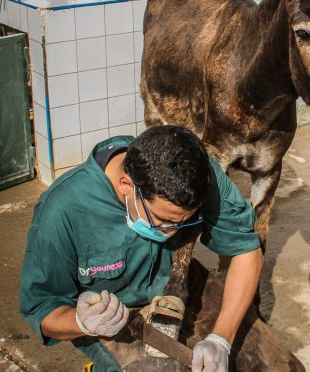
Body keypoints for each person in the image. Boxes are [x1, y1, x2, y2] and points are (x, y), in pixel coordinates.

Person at [20, 125, 263, 372]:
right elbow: (42, 308)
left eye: (185, 221)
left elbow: (246, 250)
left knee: (271, 363)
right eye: (164, 220)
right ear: (127, 185)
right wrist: (81, 322)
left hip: (181, 282)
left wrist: (221, 339)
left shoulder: (196, 172)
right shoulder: (61, 210)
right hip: (114, 319)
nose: (173, 230)